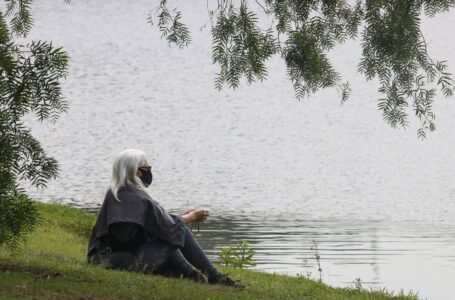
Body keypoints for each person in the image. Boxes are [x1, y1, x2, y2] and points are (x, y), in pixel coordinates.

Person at [87, 149, 245, 288]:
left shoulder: (117, 192)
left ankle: (194, 275)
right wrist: (190, 217)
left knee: (173, 229)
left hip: (107, 260)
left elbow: (155, 223)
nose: (149, 172)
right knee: (177, 230)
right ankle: (212, 276)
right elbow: (167, 227)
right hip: (123, 263)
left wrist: (178, 219)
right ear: (137, 172)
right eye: (147, 168)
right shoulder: (135, 197)